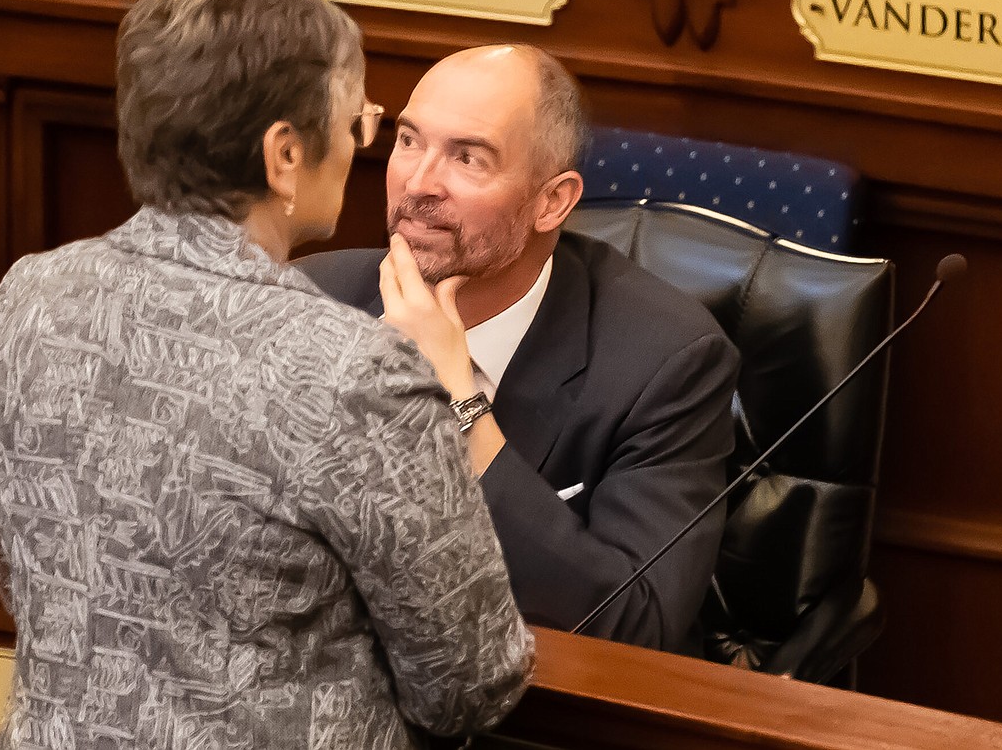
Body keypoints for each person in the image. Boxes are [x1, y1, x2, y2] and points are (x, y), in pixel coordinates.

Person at [0, 0, 532, 748]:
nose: (362, 146)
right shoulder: (355, 371)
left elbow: (15, 562)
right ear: (285, 154)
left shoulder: (32, 294)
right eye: (357, 122)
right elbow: (470, 682)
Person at [298, 44, 740, 656]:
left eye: (468, 158)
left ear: (552, 201)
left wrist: (456, 402)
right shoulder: (314, 298)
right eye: (408, 141)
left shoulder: (665, 361)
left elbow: (635, 625)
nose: (419, 183)